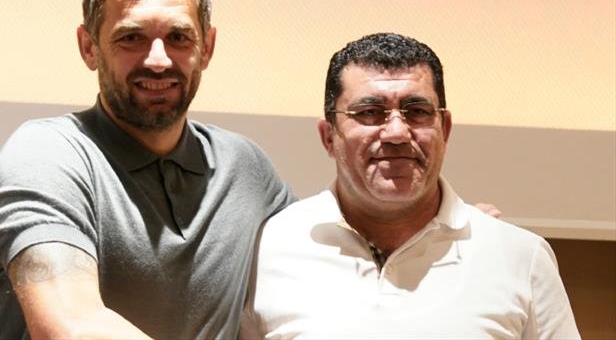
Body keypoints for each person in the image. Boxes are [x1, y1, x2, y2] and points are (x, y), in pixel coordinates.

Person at [0, 0, 295, 340]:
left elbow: (314, 279)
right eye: (131, 37)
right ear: (89, 47)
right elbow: (71, 327)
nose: (158, 60)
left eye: (178, 37)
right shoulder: (46, 154)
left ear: (207, 47)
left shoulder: (246, 167)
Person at [241, 33, 580, 339]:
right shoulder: (266, 250)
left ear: (445, 129)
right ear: (329, 137)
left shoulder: (520, 256)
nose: (397, 133)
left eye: (417, 111)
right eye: (370, 112)